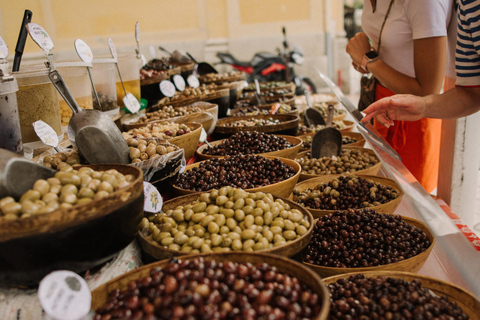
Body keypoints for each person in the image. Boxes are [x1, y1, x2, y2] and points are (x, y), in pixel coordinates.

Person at [346, 0, 455, 193]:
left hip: (412, 115)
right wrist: (367, 58)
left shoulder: (424, 3)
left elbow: (427, 92)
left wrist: (368, 60)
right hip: (380, 106)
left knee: (410, 200)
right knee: (383, 192)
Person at [362, 1, 480, 124]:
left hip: (411, 116)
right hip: (393, 103)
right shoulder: (468, 5)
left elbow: (428, 89)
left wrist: (368, 60)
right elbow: (472, 93)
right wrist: (424, 106)